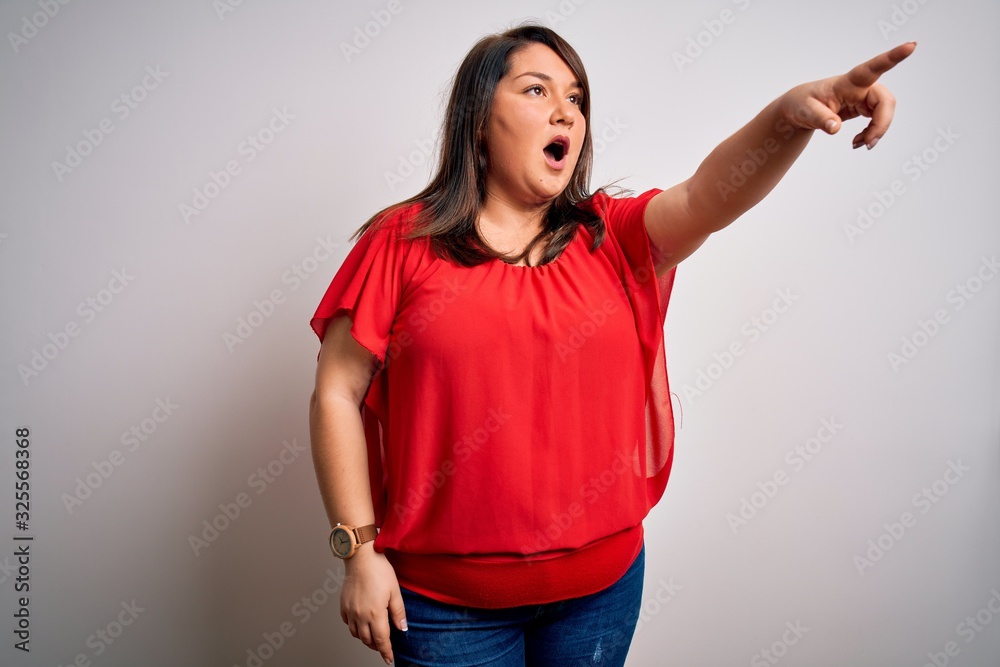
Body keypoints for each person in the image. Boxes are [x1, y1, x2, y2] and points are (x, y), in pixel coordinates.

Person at [308, 22, 915, 667]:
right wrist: (359, 551)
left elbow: (711, 193)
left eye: (576, 98)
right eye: (536, 90)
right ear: (479, 120)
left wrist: (791, 116)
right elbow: (337, 391)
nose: (564, 111)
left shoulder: (611, 237)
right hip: (445, 609)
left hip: (601, 595)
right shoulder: (402, 242)